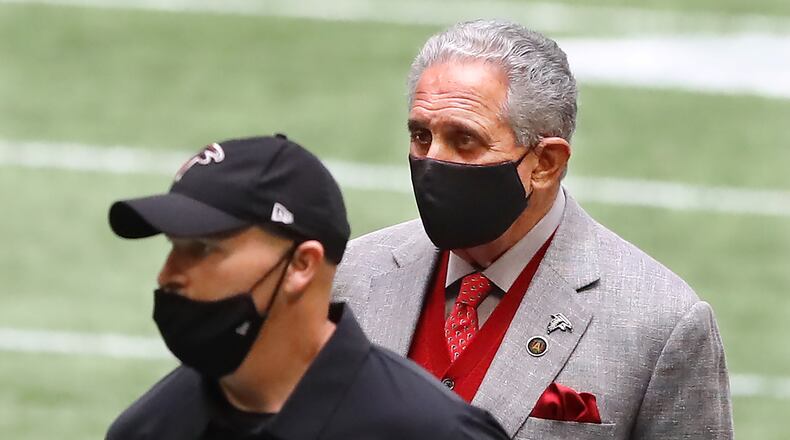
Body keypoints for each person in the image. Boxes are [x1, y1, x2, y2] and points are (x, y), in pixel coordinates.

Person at [332, 20, 733, 439]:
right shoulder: (351, 278)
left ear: (546, 163)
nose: (433, 162)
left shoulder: (659, 323)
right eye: (421, 136)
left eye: (464, 140)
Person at [105, 135, 509, 440]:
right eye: (174, 247)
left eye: (204, 248)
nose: (168, 274)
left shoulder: (433, 432)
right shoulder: (147, 429)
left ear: (301, 265)